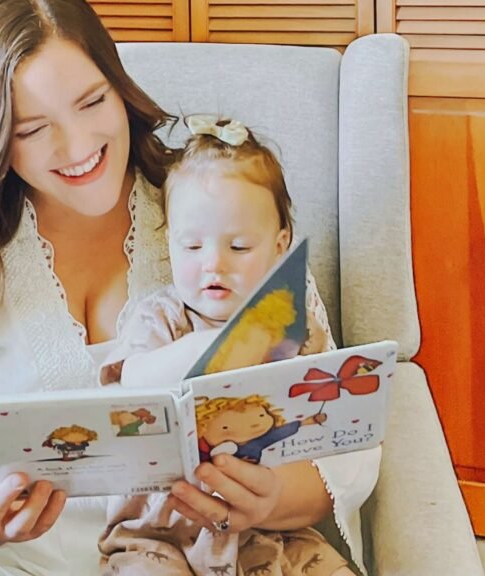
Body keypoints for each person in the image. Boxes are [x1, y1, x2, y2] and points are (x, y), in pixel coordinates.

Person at [0, 1, 380, 575]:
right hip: (12, 563)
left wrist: (271, 499)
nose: (78, 146)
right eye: (32, 129)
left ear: (120, 88)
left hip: (214, 550)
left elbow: (337, 433)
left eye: (92, 102)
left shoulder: (217, 209)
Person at [96, 117, 355, 576]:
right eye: (192, 246)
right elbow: (131, 381)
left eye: (238, 247)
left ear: (279, 247)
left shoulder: (292, 326)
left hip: (269, 529)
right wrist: (222, 342)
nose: (213, 263)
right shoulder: (159, 316)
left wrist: (308, 351)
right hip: (157, 533)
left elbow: (327, 420)